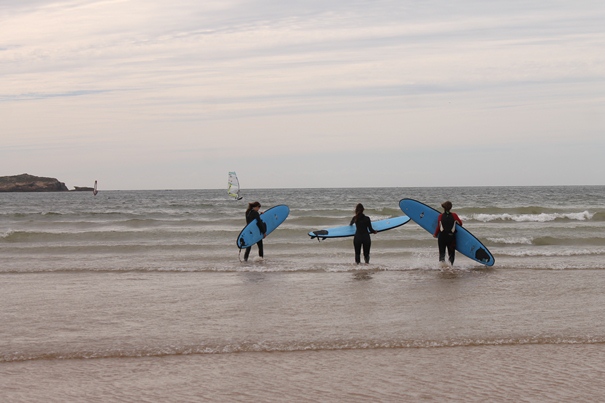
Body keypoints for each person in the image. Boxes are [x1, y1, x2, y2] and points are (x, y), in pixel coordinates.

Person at [433, 201, 463, 265]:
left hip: (442, 237)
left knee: (442, 253)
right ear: (450, 207)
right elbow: (460, 223)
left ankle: (442, 268)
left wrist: (435, 234)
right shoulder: (454, 215)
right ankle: (451, 267)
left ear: (444, 208)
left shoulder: (440, 216)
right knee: (451, 253)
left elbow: (439, 226)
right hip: (451, 237)